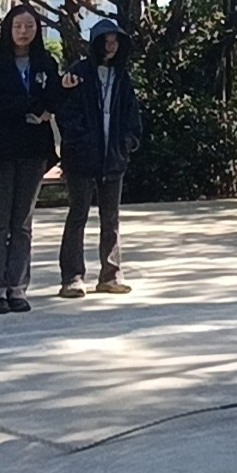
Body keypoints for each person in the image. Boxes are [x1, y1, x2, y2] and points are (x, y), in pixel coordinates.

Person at [0, 4, 60, 314]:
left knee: (22, 223)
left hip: (33, 152)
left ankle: (17, 287)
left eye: (29, 26)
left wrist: (41, 106)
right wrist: (28, 106)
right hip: (0, 151)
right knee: (0, 222)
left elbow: (53, 100)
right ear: (8, 29)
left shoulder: (46, 63)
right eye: (18, 26)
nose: (24, 32)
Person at [56, 18, 142, 297]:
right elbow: (66, 112)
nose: (111, 47)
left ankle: (111, 274)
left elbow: (131, 115)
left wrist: (127, 144)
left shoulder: (122, 77)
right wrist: (79, 141)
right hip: (81, 158)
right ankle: (72, 277)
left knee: (111, 218)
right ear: (96, 43)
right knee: (78, 214)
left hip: (113, 158)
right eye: (106, 42)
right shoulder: (79, 72)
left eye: (115, 42)